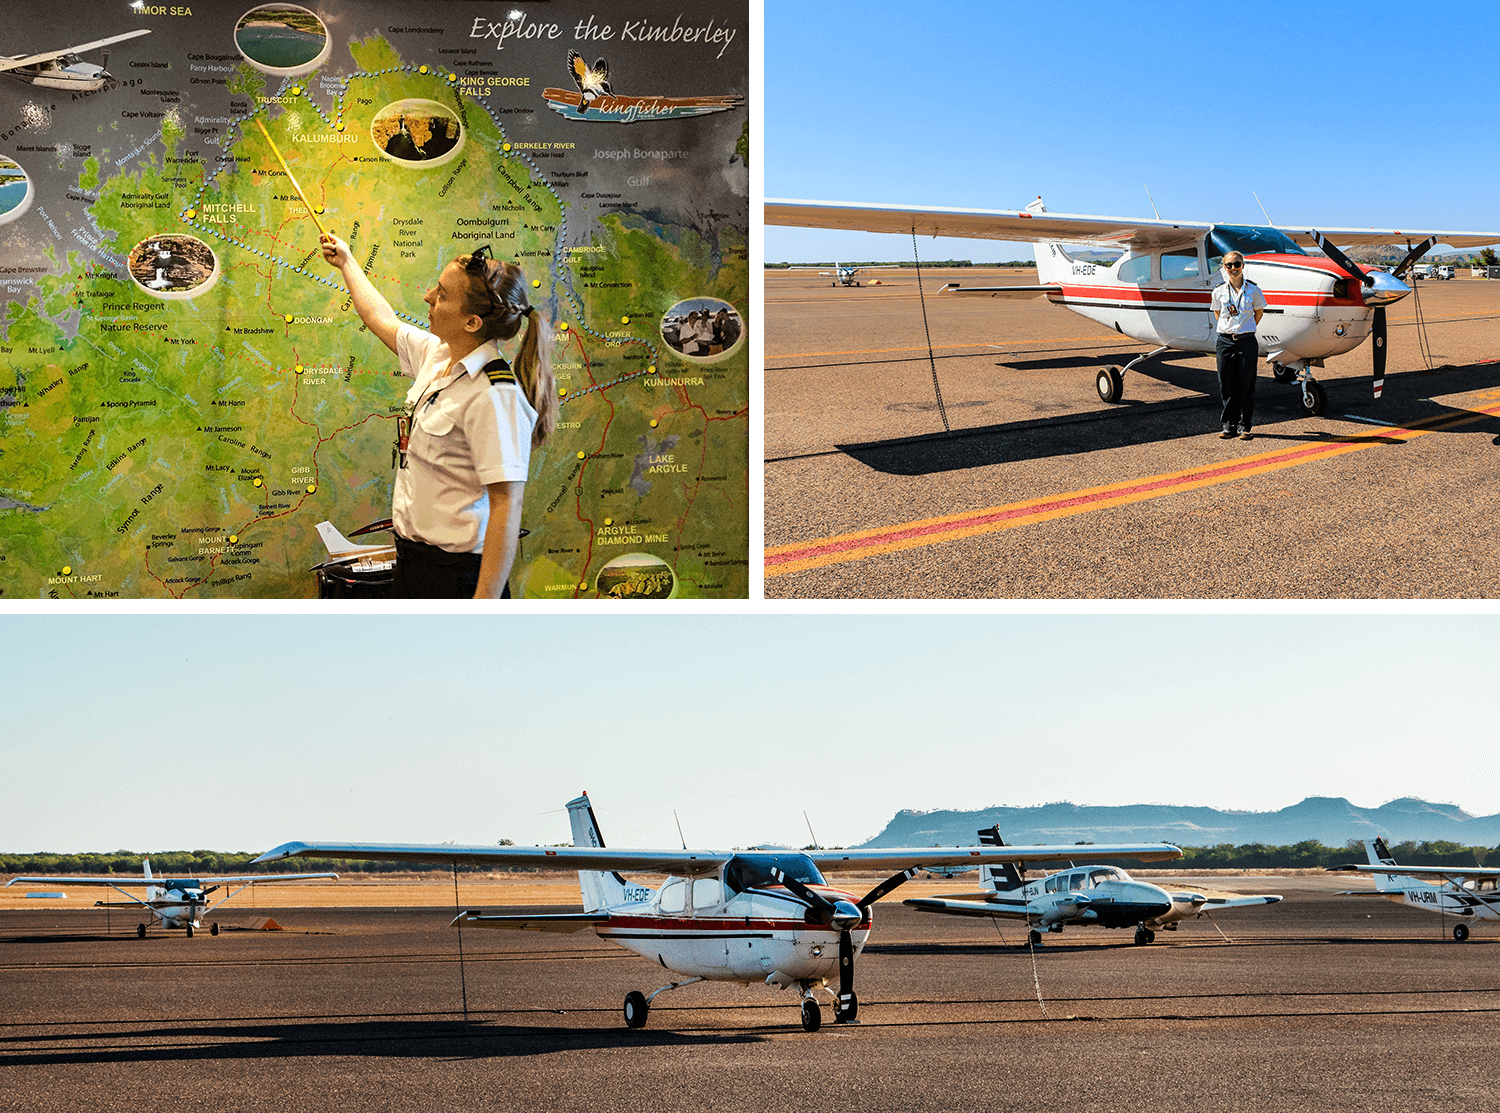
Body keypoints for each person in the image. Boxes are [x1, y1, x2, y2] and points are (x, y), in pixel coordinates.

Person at [320, 234, 556, 599]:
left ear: (472, 323)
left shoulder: (495, 395)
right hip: (412, 565)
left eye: (443, 295)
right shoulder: (438, 357)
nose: (428, 296)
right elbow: (379, 317)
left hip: (458, 578)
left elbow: (507, 505)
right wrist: (347, 262)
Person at [1209, 250, 1266, 439]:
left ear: (1243, 265)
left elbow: (1258, 313)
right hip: (1225, 341)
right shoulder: (1218, 291)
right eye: (1229, 265)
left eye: (1237, 264)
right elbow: (1218, 314)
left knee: (1246, 384)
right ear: (1224, 268)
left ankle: (1245, 425)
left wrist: (1244, 329)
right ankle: (1229, 424)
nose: (1233, 268)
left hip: (1247, 341)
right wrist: (1231, 329)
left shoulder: (1254, 290)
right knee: (1226, 384)